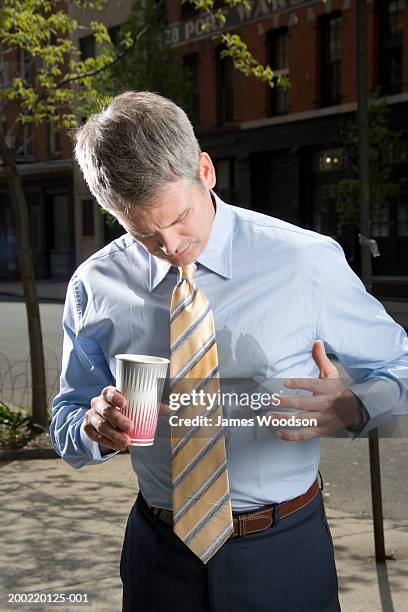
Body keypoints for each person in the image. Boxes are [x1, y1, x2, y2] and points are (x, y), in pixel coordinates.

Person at [51, 91, 408, 612]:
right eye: (144, 233)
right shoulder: (95, 284)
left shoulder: (302, 261)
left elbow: (401, 365)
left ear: (205, 169)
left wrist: (354, 407)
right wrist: (93, 427)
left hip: (284, 550)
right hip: (158, 556)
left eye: (179, 219)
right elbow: (67, 419)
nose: (171, 245)